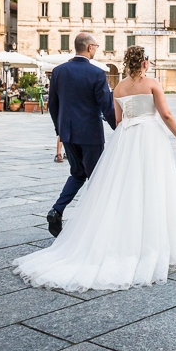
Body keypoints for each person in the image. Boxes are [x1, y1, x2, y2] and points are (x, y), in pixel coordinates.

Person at [14, 45, 176, 291]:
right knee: (156, 182)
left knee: (123, 185)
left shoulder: (120, 87)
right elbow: (165, 114)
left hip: (126, 137)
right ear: (144, 63)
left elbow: (118, 119)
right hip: (149, 137)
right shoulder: (153, 83)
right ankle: (155, 237)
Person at [44, 33, 117, 238]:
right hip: (90, 134)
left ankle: (56, 210)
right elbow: (106, 105)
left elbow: (52, 105)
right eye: (96, 46)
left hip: (67, 133)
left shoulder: (58, 71)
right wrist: (117, 127)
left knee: (77, 173)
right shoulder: (97, 73)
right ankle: (95, 223)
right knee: (96, 176)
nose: (97, 49)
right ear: (90, 48)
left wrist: (60, 130)